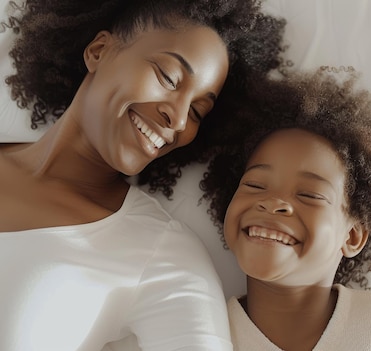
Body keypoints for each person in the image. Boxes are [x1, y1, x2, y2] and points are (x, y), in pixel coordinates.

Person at [0, 0, 284, 350]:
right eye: (168, 77)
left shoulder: (163, 255)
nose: (178, 120)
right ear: (99, 50)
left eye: (197, 111)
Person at [200, 67, 371, 351]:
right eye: (256, 185)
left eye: (309, 195)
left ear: (352, 236)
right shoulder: (200, 333)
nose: (273, 203)